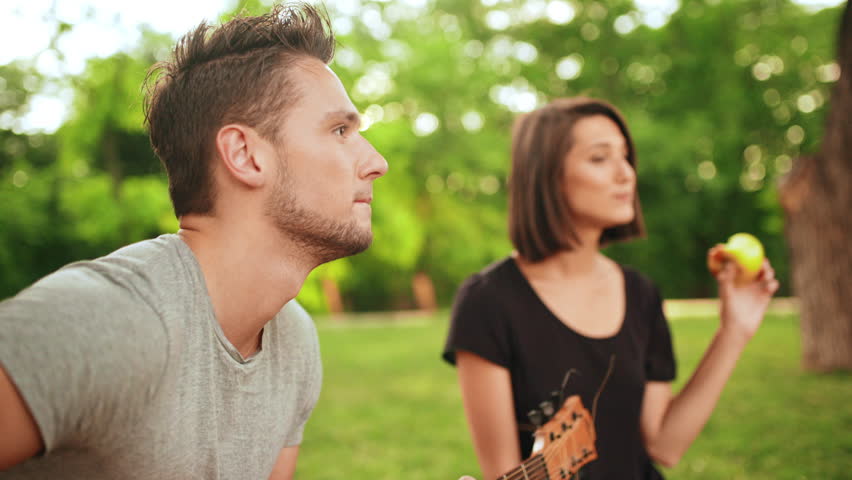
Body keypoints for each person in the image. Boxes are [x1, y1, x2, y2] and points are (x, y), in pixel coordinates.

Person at [0, 3, 390, 478]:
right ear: (245, 155)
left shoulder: (293, 342)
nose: (376, 161)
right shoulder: (109, 319)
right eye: (340, 130)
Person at [442, 97, 780, 480]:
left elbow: (663, 445)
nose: (626, 174)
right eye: (600, 158)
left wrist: (733, 332)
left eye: (626, 156)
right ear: (547, 175)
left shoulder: (641, 293)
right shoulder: (488, 301)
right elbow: (503, 470)